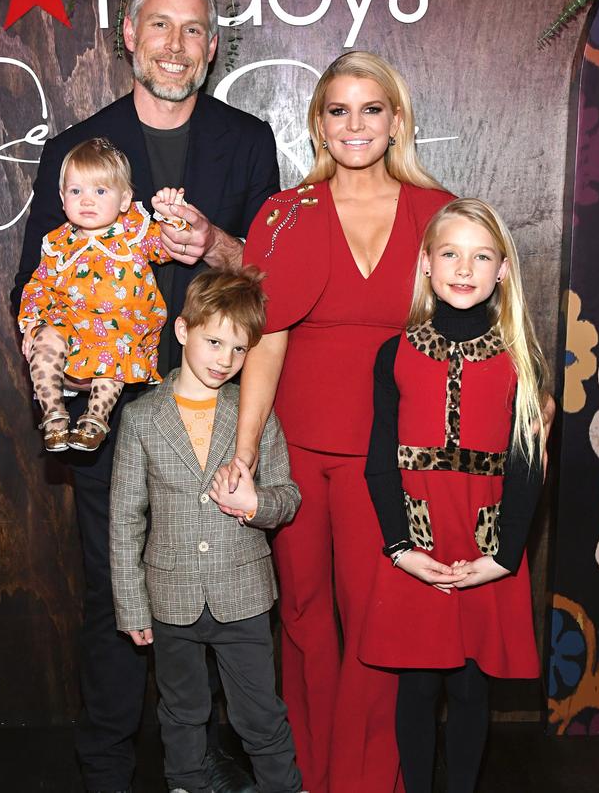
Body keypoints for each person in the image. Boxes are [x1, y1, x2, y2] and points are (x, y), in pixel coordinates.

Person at [11, 0, 278, 793]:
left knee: (224, 598)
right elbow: (35, 286)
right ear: (128, 35)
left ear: (212, 46)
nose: (176, 44)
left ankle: (215, 756)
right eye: (159, 24)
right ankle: (108, 768)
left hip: (214, 412)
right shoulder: (76, 150)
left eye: (194, 28)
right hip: (113, 415)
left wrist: (216, 244)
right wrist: (58, 360)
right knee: (117, 597)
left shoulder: (246, 140)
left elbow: (272, 279)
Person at [232, 51, 455, 793]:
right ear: (318, 125)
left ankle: (365, 778)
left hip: (393, 456)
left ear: (396, 121)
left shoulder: (439, 213)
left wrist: (529, 395)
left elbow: (480, 324)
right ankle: (306, 772)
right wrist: (244, 452)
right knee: (301, 615)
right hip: (295, 454)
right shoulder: (283, 213)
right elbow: (265, 341)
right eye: (338, 110)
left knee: (375, 618)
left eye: (370, 109)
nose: (354, 124)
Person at [361, 197, 547, 793]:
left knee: (470, 685)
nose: (464, 269)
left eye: (481, 256)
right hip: (417, 547)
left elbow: (527, 470)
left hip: (485, 549)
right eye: (450, 254)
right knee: (417, 685)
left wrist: (501, 560)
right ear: (426, 264)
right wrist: (401, 549)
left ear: (502, 271)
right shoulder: (394, 354)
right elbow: (378, 465)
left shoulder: (520, 362)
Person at [110, 266, 303, 793]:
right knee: (182, 712)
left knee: (260, 714)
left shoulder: (254, 412)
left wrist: (253, 503)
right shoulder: (142, 418)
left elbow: (288, 497)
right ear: (181, 331)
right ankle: (187, 785)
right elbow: (127, 518)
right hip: (170, 597)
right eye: (213, 341)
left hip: (243, 593)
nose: (225, 359)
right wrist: (131, 605)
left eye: (239, 350)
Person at [18, 140, 190, 452]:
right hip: (70, 326)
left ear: (124, 199)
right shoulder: (58, 244)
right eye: (76, 191)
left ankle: (96, 417)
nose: (87, 200)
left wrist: (172, 216)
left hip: (118, 331)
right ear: (62, 198)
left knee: (113, 352)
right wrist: (33, 324)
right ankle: (54, 415)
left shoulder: (135, 234)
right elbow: (37, 287)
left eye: (100, 191)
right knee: (44, 341)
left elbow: (169, 246)